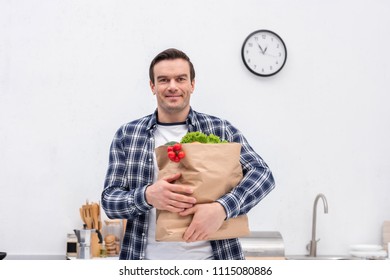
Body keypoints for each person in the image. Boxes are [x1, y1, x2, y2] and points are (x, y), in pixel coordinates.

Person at [101, 48, 275, 260]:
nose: (172, 86)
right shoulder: (128, 135)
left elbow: (263, 175)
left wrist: (222, 208)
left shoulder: (219, 129)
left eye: (180, 79)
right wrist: (147, 196)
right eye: (163, 80)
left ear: (192, 84)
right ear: (152, 86)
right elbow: (110, 201)